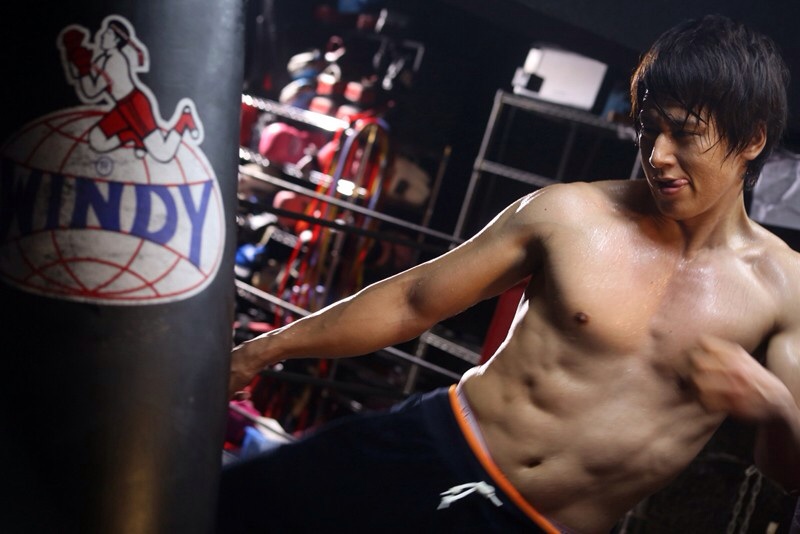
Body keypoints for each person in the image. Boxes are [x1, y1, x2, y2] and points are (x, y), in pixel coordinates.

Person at [217, 14, 800, 534]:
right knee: (225, 507)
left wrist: (777, 409)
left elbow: (788, 474)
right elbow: (414, 300)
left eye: (685, 133)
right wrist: (261, 351)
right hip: (436, 449)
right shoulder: (570, 214)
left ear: (751, 138)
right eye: (649, 128)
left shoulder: (784, 289)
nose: (658, 155)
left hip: (540, 526)